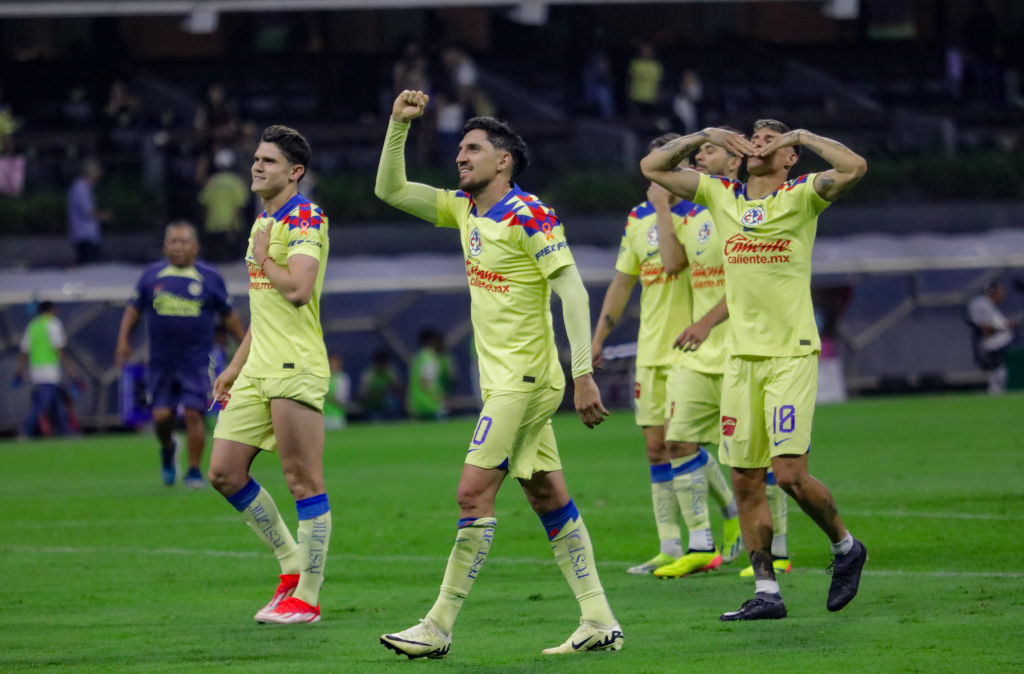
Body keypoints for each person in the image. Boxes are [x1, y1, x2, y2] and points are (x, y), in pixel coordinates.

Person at [376, 90, 622, 658]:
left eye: (473, 149)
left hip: (527, 381)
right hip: (503, 382)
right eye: (459, 149)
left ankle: (437, 627)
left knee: (472, 493)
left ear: (503, 160)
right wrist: (397, 126)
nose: (460, 157)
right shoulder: (464, 210)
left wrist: (582, 373)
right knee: (545, 494)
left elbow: (573, 291)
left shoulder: (528, 212)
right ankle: (598, 619)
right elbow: (389, 190)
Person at [641, 119, 869, 620]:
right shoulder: (722, 195)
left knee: (788, 475)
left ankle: (845, 547)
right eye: (754, 136)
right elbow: (652, 167)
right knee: (745, 479)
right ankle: (766, 593)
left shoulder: (802, 194)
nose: (759, 142)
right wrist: (705, 136)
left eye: (771, 138)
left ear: (789, 157)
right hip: (741, 360)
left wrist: (803, 136)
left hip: (790, 354)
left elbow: (854, 167)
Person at [590, 133, 741, 578]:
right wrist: (599, 336)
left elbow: (676, 265)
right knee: (656, 449)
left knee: (683, 443)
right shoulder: (637, 219)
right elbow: (623, 281)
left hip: (692, 347)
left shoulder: (705, 211)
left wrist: (664, 209)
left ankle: (716, 530)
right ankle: (669, 544)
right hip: (651, 348)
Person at [206, 125, 333, 624]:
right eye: (256, 159)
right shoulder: (264, 219)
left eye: (269, 161)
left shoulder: (305, 217)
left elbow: (298, 290)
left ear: (294, 171)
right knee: (224, 472)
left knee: (303, 480)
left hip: (294, 365)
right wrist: (234, 367)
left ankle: (308, 598)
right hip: (258, 368)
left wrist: (261, 256)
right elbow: (265, 309)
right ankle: (289, 567)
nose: (257, 166)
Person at [656, 133, 791, 580]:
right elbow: (673, 264)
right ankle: (700, 544)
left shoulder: (747, 213)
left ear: (736, 162)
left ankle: (779, 551)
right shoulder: (697, 213)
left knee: (757, 457)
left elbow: (748, 282)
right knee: (676, 441)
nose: (699, 156)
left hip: (740, 347)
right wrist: (662, 210)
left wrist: (706, 322)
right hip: (699, 354)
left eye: (708, 151)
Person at [115, 221, 245, 489]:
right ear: (165, 246)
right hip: (161, 360)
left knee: (194, 414)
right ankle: (167, 448)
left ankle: (194, 471)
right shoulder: (152, 275)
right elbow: (133, 308)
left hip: (197, 360)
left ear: (195, 246)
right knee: (162, 418)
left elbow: (229, 316)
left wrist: (245, 346)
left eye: (183, 241)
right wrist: (123, 340)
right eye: (173, 241)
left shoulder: (209, 277)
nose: (178, 247)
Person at [14, 301, 74, 438]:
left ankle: (67, 432)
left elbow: (24, 351)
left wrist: (19, 371)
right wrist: (70, 370)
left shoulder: (32, 325)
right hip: (50, 370)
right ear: (52, 310)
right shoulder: (53, 324)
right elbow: (59, 348)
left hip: (36, 370)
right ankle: (25, 430)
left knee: (56, 401)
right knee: (42, 403)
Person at [967, 278, 1017, 394]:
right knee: (999, 376)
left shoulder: (992, 306)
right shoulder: (981, 304)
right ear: (992, 291)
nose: (1003, 294)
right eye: (1001, 291)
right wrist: (1005, 326)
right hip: (992, 348)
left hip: (1003, 348)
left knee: (1002, 375)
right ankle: (994, 396)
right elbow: (984, 329)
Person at [199, 148, 250, 261]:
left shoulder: (211, 182)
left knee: (216, 260)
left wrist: (204, 221)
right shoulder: (237, 182)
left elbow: (204, 204)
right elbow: (241, 206)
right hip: (232, 226)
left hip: (213, 226)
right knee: (231, 260)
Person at [67, 159, 110, 265]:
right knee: (87, 267)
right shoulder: (80, 188)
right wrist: (103, 216)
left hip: (87, 235)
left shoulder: (84, 188)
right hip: (84, 236)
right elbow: (87, 211)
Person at [407, 328, 448, 420]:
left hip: (416, 405)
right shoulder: (430, 359)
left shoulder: (418, 357)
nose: (443, 345)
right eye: (440, 342)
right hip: (429, 406)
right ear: (432, 342)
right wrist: (439, 399)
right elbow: (425, 382)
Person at [359, 349, 403, 421]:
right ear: (375, 362)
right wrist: (376, 393)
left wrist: (389, 390)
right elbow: (362, 395)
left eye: (384, 363)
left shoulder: (391, 372)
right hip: (371, 408)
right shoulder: (368, 374)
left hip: (388, 409)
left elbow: (399, 389)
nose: (382, 366)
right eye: (380, 363)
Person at [324, 354, 351, 430]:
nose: (332, 365)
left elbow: (342, 401)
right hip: (321, 417)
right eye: (330, 362)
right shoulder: (321, 378)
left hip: (336, 417)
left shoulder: (342, 378)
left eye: (335, 362)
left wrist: (325, 395)